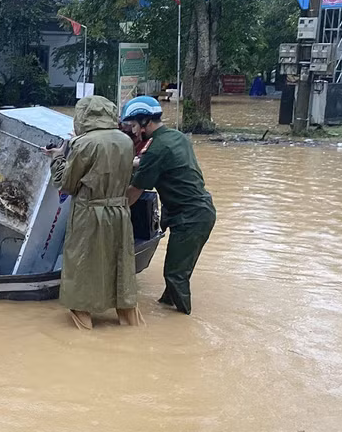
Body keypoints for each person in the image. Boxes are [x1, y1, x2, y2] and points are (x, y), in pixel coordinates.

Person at [46, 95, 141, 330]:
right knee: (120, 265)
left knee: (81, 267)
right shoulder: (126, 141)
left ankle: (85, 331)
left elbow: (67, 184)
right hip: (120, 213)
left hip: (89, 213)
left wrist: (57, 157)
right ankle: (130, 325)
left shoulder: (83, 144)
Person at [123, 95, 216, 315]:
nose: (134, 132)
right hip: (200, 211)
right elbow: (151, 162)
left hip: (189, 217)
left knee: (175, 275)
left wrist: (108, 208)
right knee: (177, 271)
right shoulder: (177, 137)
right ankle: (167, 307)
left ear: (146, 122)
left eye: (135, 125)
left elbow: (134, 193)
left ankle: (183, 325)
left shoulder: (157, 149)